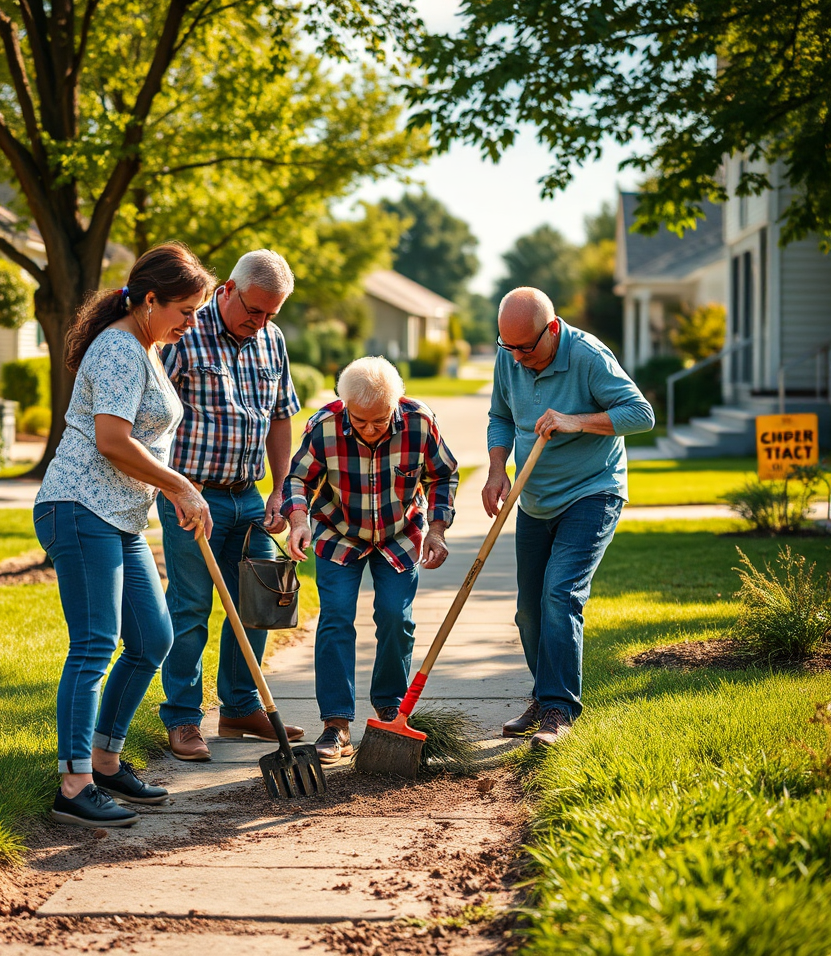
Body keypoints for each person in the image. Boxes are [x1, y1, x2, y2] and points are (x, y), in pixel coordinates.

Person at [33, 242, 216, 827]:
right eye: (185, 311)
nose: (192, 323)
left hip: (118, 515)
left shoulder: (144, 346)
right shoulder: (117, 348)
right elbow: (112, 440)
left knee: (152, 639)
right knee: (94, 645)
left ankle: (107, 761)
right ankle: (74, 781)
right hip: (80, 506)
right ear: (151, 299)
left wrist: (169, 486)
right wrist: (179, 486)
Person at [483, 287, 654, 747]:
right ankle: (544, 695)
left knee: (561, 593)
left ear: (552, 329)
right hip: (534, 497)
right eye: (508, 347)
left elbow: (641, 414)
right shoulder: (511, 356)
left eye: (526, 347)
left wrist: (578, 420)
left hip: (592, 492)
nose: (517, 358)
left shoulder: (588, 355)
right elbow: (500, 415)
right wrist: (497, 469)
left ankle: (559, 710)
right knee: (528, 612)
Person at [158, 249, 304, 760]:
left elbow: (283, 414)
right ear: (227, 290)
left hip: (250, 496)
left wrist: (283, 487)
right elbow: (149, 413)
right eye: (253, 310)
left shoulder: (273, 340)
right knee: (192, 606)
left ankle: (240, 708)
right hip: (192, 496)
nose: (259, 322)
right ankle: (183, 719)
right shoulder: (183, 333)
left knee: (261, 603)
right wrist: (174, 486)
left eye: (270, 314)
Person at [284, 356, 459, 764]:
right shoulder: (323, 426)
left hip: (399, 534)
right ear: (345, 405)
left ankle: (389, 710)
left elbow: (443, 475)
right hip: (338, 532)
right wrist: (297, 522)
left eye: (379, 421)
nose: (368, 429)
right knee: (336, 618)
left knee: (396, 617)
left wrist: (436, 529)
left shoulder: (420, 423)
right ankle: (336, 724)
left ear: (396, 403)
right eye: (359, 421)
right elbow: (298, 479)